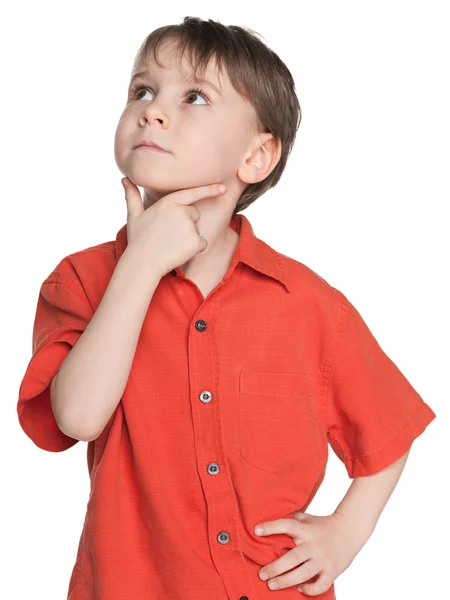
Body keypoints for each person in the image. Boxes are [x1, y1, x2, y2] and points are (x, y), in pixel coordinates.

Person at [17, 16, 436, 600]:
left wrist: (346, 532)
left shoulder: (310, 304)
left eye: (193, 97)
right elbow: (78, 416)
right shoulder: (83, 281)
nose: (153, 110)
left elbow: (391, 429)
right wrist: (139, 266)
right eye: (142, 90)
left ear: (257, 158)